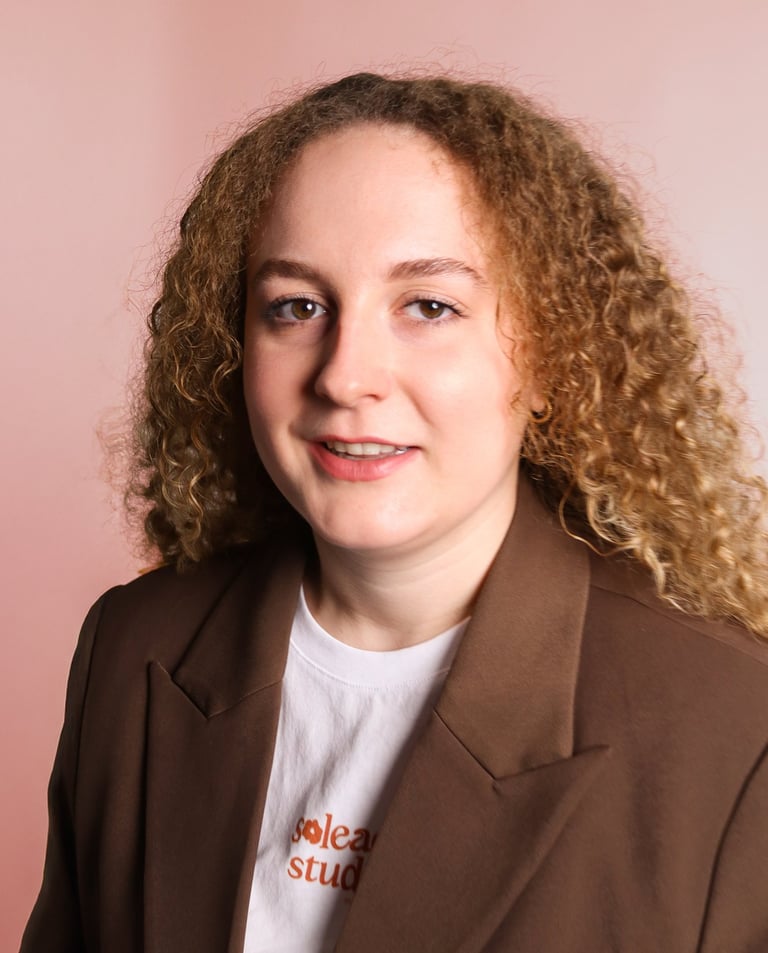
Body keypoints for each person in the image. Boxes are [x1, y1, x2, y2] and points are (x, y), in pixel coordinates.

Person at [22, 72, 768, 953]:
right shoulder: (133, 650)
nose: (345, 374)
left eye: (428, 306)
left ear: (549, 358)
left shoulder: (733, 726)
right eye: (297, 306)